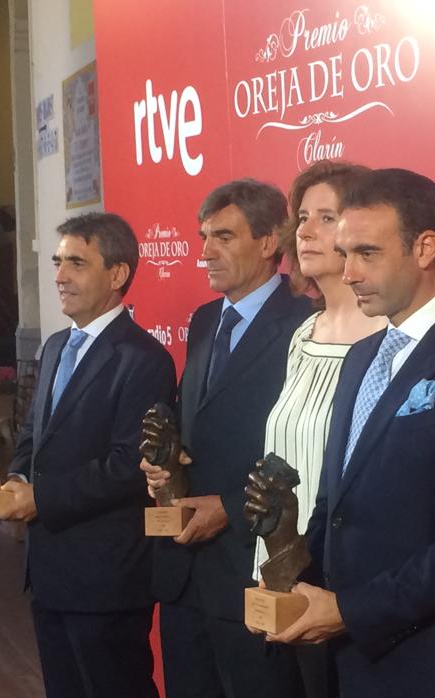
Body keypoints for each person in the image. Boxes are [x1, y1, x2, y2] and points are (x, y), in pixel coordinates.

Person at [268, 168, 435, 698]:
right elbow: (332, 501)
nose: (348, 274)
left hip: (427, 664)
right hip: (342, 657)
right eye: (345, 254)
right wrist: (294, 580)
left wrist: (350, 611)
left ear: (425, 247)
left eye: (367, 253)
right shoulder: (362, 355)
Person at [0, 212, 176, 698]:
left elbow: (129, 465)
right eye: (57, 262)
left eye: (76, 262)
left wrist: (41, 498)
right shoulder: (54, 347)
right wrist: (14, 477)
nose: (59, 276)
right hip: (49, 570)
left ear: (117, 275)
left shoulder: (144, 359)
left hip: (106, 578)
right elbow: (33, 433)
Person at [142, 179, 313, 698]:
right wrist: (161, 468)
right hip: (182, 571)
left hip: (251, 567)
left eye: (223, 236)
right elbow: (195, 425)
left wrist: (232, 507)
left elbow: (309, 453)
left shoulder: (307, 323)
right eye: (202, 237)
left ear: (268, 243)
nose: (205, 252)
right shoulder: (203, 320)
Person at [250, 160, 385, 698]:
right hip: (276, 570)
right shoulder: (302, 332)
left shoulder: (386, 337)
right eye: (302, 217)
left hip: (341, 584)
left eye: (325, 217)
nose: (304, 230)